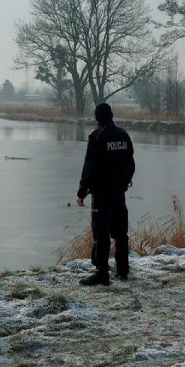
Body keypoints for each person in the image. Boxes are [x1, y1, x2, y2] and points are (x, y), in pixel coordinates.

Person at [76, 102, 135, 286]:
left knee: (101, 235)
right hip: (118, 193)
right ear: (111, 115)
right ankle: (123, 270)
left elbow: (89, 167)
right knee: (120, 233)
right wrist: (124, 184)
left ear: (97, 117)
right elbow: (130, 165)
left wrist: (81, 192)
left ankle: (102, 274)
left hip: (101, 195)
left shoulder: (96, 137)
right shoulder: (124, 135)